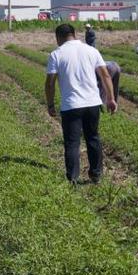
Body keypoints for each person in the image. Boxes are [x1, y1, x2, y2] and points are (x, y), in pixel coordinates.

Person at [45, 23, 117, 184]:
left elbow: (50, 83)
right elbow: (105, 76)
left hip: (71, 106)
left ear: (58, 37)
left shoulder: (56, 54)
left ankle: (73, 179)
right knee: (93, 138)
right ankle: (96, 175)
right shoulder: (92, 50)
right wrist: (111, 99)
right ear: (75, 34)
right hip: (92, 104)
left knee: (72, 143)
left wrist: (50, 104)